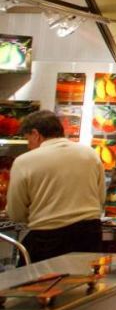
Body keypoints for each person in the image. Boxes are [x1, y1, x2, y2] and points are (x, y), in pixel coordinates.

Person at [7, 110, 105, 262]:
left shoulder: (24, 161)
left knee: (37, 283)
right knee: (82, 281)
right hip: (90, 233)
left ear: (35, 133)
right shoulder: (90, 154)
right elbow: (100, 197)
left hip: (49, 237)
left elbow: (16, 212)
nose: (28, 145)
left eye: (28, 139)